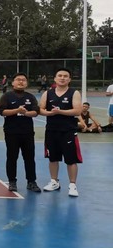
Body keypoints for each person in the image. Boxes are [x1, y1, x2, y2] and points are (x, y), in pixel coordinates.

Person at [39, 68, 82, 197]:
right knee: (53, 158)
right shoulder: (48, 93)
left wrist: (60, 112)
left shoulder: (74, 93)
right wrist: (50, 113)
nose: (62, 78)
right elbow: (40, 109)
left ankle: (72, 185)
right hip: (51, 130)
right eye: (60, 75)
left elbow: (77, 111)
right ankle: (54, 181)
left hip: (68, 131)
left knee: (71, 160)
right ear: (55, 78)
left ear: (69, 79)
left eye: (65, 76)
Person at [0, 73, 41, 192]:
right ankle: (12, 181)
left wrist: (26, 113)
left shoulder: (30, 97)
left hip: (27, 132)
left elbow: (36, 112)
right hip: (11, 132)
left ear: (26, 83)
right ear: (13, 82)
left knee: (29, 158)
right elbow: (2, 111)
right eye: (18, 79)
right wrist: (17, 110)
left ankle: (31, 181)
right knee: (12, 157)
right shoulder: (7, 96)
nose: (21, 82)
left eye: (23, 80)